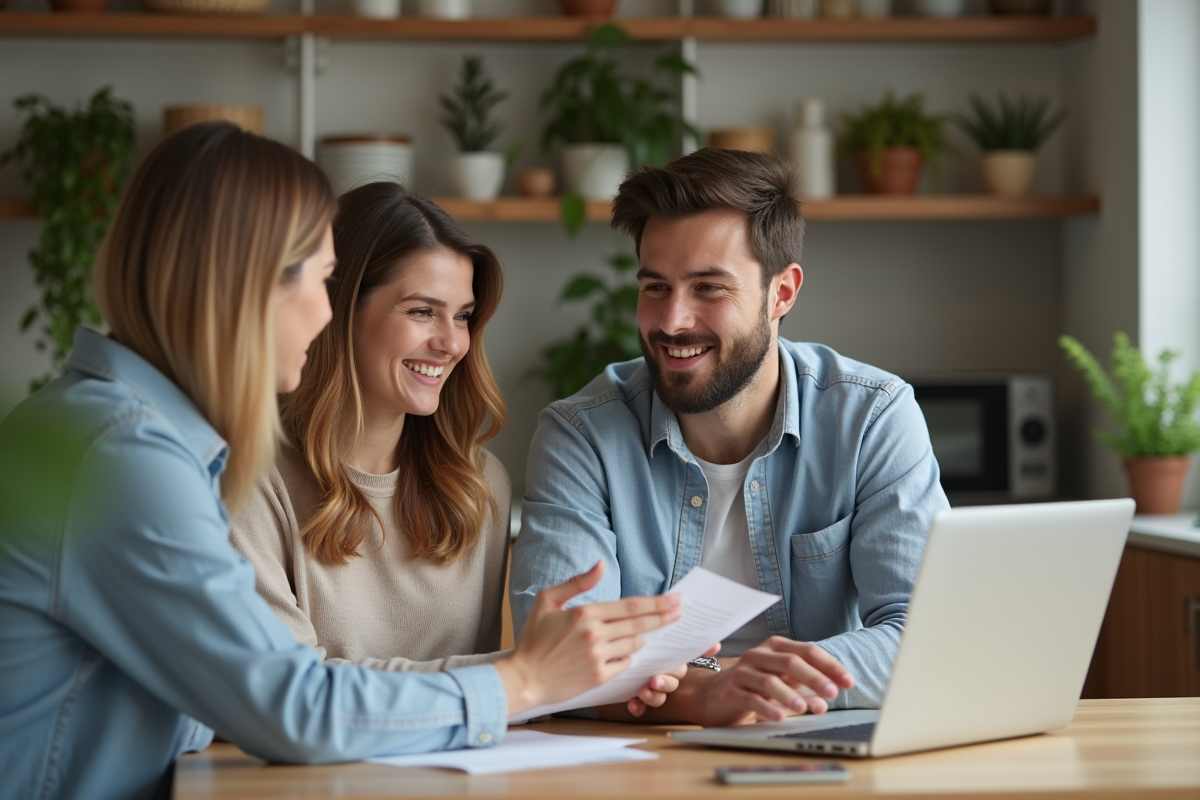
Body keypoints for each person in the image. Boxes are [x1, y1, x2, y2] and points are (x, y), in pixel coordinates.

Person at [0, 123, 682, 800]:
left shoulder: (129, 440)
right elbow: (289, 703)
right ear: (240, 280)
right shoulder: (121, 457)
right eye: (323, 281)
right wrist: (524, 679)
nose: (325, 314)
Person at [510, 148, 950, 727]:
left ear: (782, 293)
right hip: (643, 762)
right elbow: (555, 659)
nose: (672, 321)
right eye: (655, 287)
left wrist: (743, 682)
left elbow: (926, 636)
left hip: (819, 753)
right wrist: (707, 694)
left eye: (708, 288)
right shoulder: (582, 434)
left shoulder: (871, 417)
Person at [231, 182, 690, 716]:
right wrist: (525, 671)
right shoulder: (248, 479)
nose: (451, 343)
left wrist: (565, 670)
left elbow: (481, 710)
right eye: (422, 311)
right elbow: (287, 694)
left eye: (463, 316)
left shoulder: (476, 485)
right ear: (336, 309)